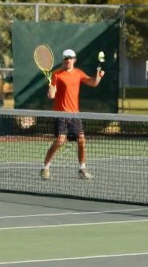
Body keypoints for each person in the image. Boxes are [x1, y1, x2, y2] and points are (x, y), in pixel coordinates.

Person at [40, 48, 104, 180]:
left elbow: (93, 83)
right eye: (66, 58)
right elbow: (51, 95)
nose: (68, 60)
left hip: (75, 115)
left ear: (74, 60)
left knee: (81, 140)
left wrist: (98, 77)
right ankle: (45, 167)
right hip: (60, 114)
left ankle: (82, 169)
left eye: (70, 58)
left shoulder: (78, 73)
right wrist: (51, 92)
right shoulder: (56, 74)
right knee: (60, 140)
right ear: (63, 60)